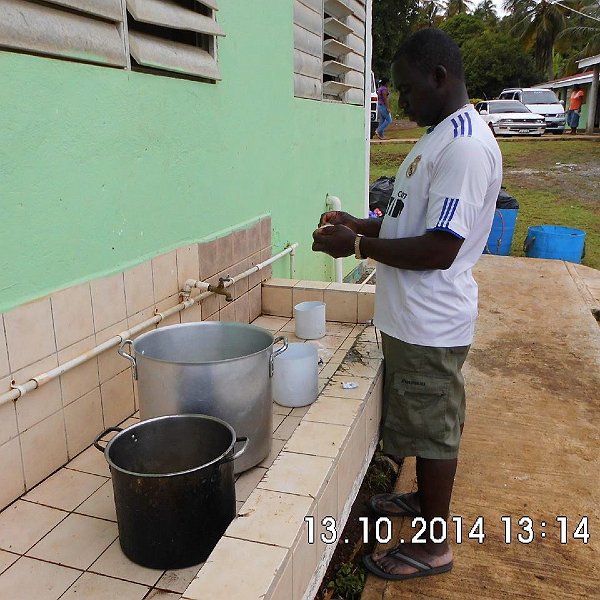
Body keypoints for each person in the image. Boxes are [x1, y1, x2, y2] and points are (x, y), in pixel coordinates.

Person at [312, 28, 502, 581]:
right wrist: (357, 224)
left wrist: (359, 247)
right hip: (411, 319)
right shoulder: (439, 134)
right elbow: (407, 222)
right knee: (424, 423)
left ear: (440, 78)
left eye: (407, 87)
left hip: (431, 321)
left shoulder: (465, 147)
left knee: (436, 430)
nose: (398, 98)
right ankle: (424, 502)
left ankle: (435, 547)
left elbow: (441, 248)